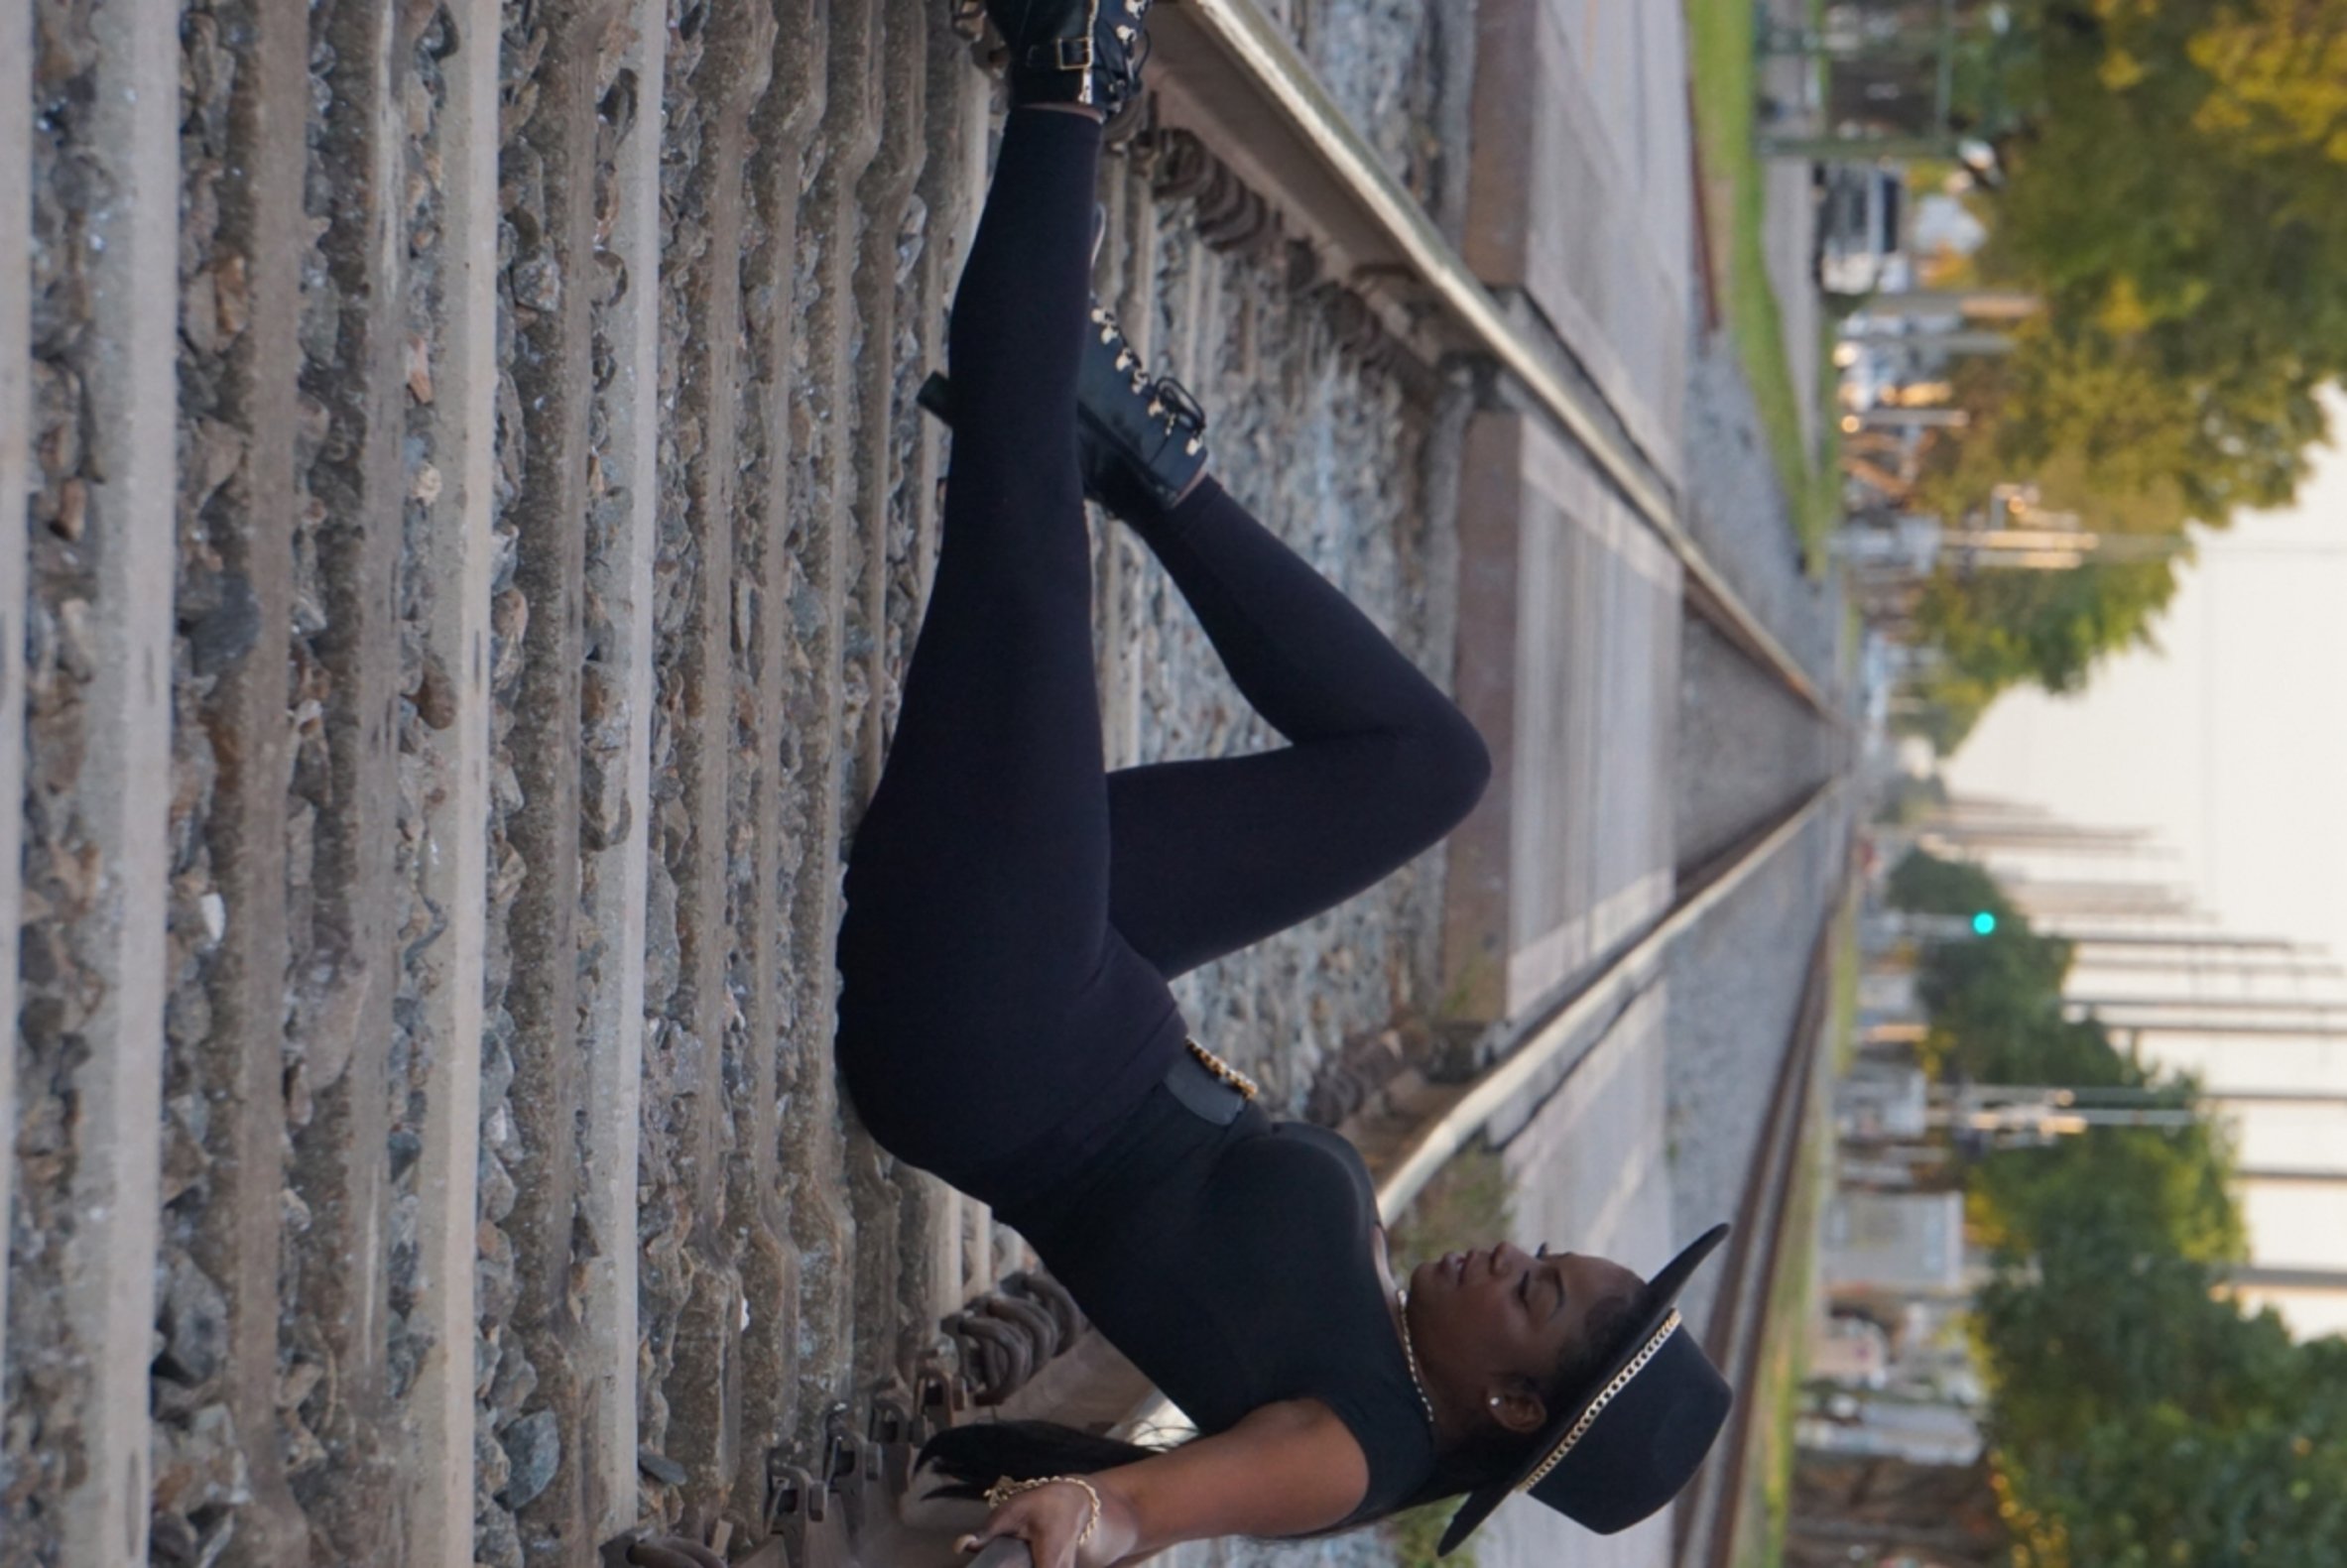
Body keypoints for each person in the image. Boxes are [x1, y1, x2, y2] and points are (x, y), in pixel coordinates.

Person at [831, 4, 1735, 1564]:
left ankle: (1069, 70)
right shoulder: (1388, 1355)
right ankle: (1150, 463)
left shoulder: (1344, 1456)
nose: (1511, 1251)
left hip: (1000, 1026)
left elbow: (1146, 1505)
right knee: (1426, 767)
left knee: (1021, 535)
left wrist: (1085, 1517)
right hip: (1081, 977)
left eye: (1534, 1288)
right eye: (1547, 1254)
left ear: (1513, 1404)